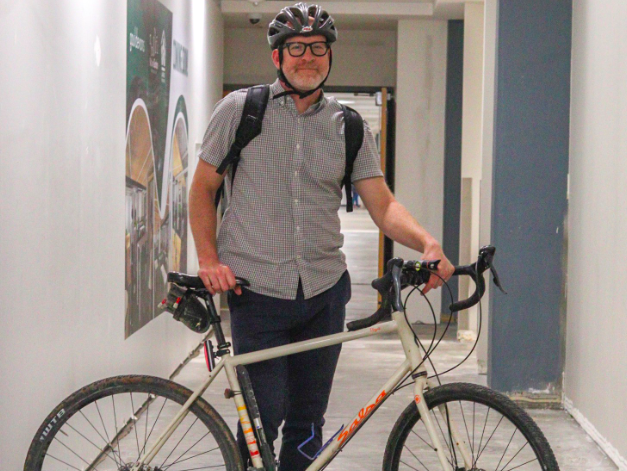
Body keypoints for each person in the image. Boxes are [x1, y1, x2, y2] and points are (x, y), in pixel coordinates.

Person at [189, 3, 454, 470]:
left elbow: (383, 205)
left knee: (308, 420)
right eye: (296, 48)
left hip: (324, 293)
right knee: (261, 416)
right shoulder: (240, 110)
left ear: (329, 56)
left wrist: (427, 243)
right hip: (256, 290)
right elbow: (203, 188)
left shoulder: (349, 127)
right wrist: (209, 260)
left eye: (317, 48)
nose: (307, 57)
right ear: (278, 57)